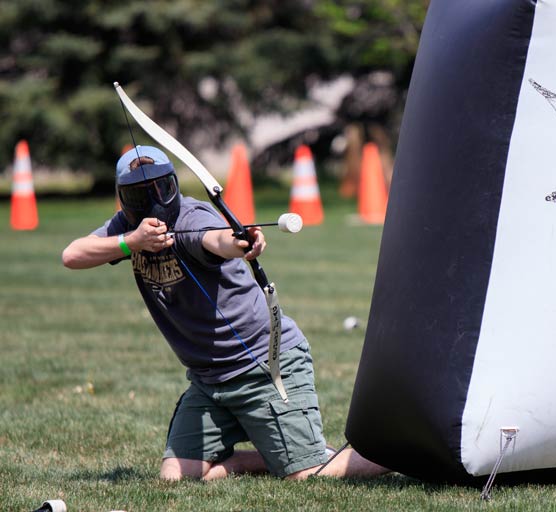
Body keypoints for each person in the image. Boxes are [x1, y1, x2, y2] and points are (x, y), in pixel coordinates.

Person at [62, 145, 388, 481]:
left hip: (262, 365)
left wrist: (242, 243)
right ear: (123, 198)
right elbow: (72, 255)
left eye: (160, 188)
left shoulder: (190, 218)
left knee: (307, 474)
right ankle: (274, 455)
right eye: (138, 194)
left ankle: (408, 457)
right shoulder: (126, 227)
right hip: (209, 382)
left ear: (172, 184)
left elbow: (216, 239)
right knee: (175, 476)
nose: (152, 200)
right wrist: (132, 240)